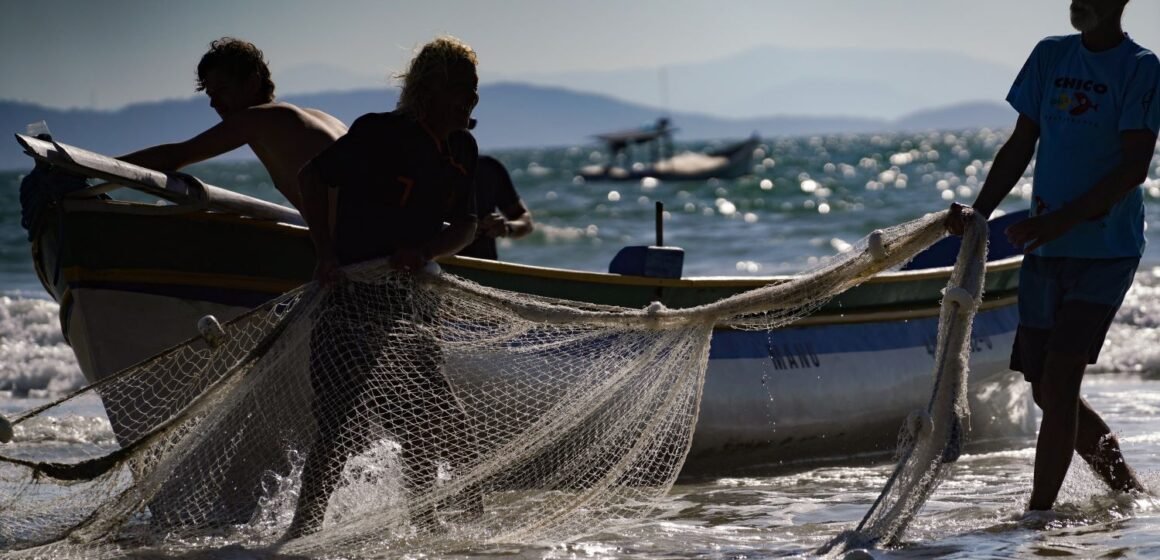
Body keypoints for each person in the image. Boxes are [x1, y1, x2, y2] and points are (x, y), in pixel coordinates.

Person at [945, 0, 1157, 512]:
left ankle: (1037, 516)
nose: (1077, 2)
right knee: (1045, 388)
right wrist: (979, 210)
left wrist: (1062, 220)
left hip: (1104, 252)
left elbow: (1133, 169)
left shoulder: (1140, 67)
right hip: (1045, 248)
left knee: (1061, 379)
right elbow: (1021, 143)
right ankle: (1129, 491)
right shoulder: (1050, 56)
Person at [287, 36, 482, 538]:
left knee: (432, 415)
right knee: (338, 427)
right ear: (431, 88)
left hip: (413, 305)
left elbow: (465, 225)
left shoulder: (462, 148)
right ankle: (302, 532)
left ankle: (424, 519)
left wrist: (427, 252)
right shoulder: (378, 133)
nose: (472, 102)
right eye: (463, 90)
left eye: (476, 92)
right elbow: (312, 177)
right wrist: (325, 253)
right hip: (352, 298)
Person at [118, 37, 347, 210]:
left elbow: (177, 155)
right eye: (210, 94)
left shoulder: (259, 119)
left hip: (361, 247)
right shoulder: (318, 118)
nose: (214, 103)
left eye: (223, 91)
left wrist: (95, 167)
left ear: (252, 83)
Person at [458, 155, 535, 260]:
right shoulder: (429, 168)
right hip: (435, 266)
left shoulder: (489, 168)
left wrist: (506, 228)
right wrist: (454, 232)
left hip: (485, 268)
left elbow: (526, 222)